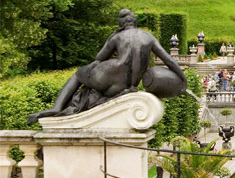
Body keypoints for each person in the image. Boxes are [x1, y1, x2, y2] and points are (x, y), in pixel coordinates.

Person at [27, 9, 186, 123]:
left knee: (78, 74)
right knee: (91, 90)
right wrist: (182, 78)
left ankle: (57, 107)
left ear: (121, 23)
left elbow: (100, 57)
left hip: (109, 74)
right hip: (127, 85)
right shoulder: (148, 37)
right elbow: (169, 60)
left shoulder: (118, 36)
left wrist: (114, 35)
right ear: (135, 22)